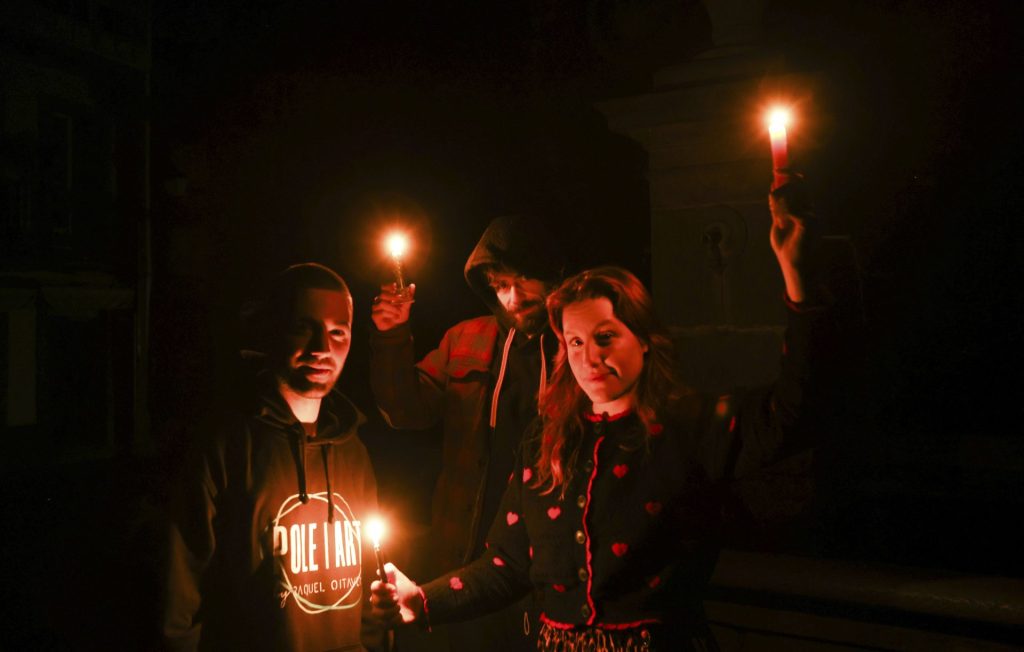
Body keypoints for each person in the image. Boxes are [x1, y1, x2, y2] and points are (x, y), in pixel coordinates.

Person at [373, 182, 833, 650]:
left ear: (644, 338)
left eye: (606, 337)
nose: (589, 357)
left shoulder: (690, 427)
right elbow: (508, 564)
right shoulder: (545, 441)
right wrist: (419, 601)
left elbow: (797, 411)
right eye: (575, 342)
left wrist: (800, 280)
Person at [161, 263, 397, 652]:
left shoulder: (354, 452)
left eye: (338, 332)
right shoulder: (224, 448)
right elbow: (179, 601)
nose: (322, 348)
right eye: (303, 327)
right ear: (270, 331)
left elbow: (372, 592)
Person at [369, 215, 566, 649]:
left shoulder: (580, 346)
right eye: (498, 284)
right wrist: (391, 334)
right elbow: (403, 410)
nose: (512, 297)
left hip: (547, 570)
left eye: (523, 280)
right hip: (465, 563)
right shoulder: (466, 339)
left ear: (554, 276)